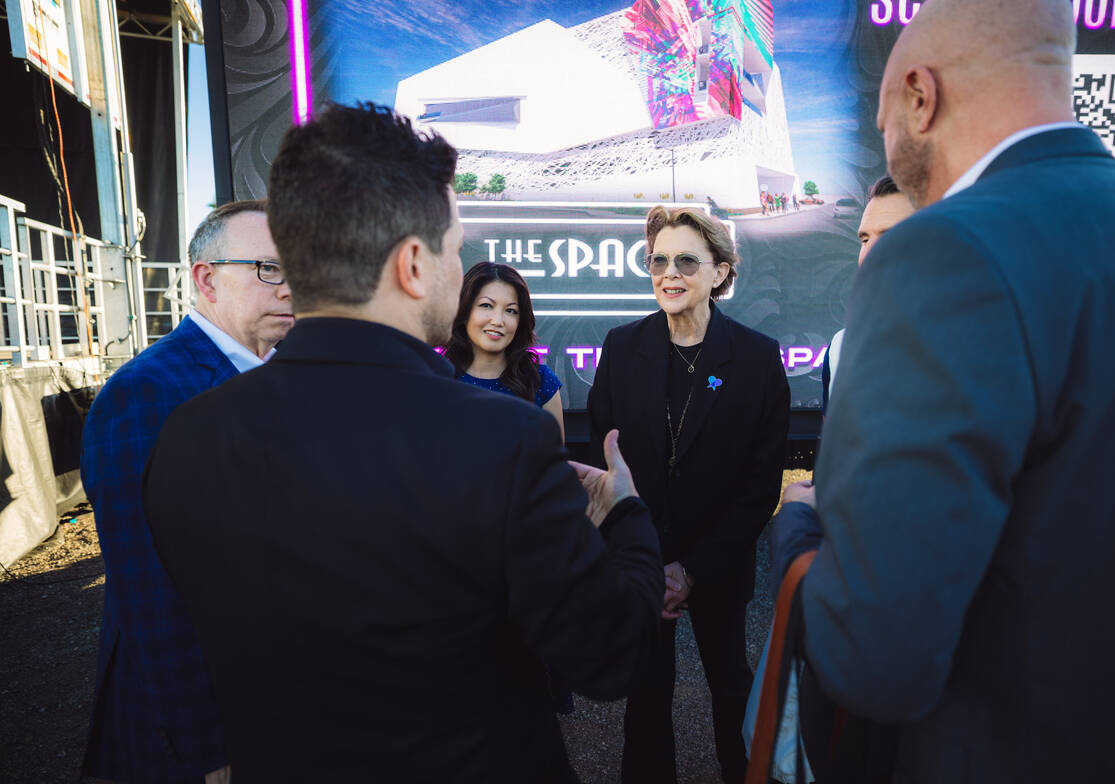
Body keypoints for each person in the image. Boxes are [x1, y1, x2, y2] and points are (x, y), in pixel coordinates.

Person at [141, 102, 663, 783]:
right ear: (415, 264)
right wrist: (625, 515)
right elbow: (612, 654)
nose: (458, 265)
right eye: (455, 247)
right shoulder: (501, 442)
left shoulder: (187, 438)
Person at [769, 0, 1115, 782]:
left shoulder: (941, 253)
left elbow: (875, 656)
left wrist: (798, 533)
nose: (887, 140)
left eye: (884, 124)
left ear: (920, 96)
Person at [79, 199, 293, 783]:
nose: (291, 287)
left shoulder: (285, 378)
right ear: (206, 279)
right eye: (270, 268)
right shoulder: (147, 391)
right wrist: (207, 747)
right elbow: (149, 586)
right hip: (195, 731)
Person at [588, 205, 790, 784]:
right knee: (645, 696)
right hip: (640, 562)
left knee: (731, 687)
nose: (668, 273)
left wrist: (691, 569)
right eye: (657, 260)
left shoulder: (755, 358)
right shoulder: (623, 347)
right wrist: (650, 561)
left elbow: (759, 485)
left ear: (721, 272)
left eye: (685, 261)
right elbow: (608, 458)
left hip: (717, 568)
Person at [821, 174, 915, 412]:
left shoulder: (988, 341)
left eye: (890, 234)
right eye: (864, 239)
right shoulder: (839, 348)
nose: (868, 253)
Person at [445, 261, 564, 438]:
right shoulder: (438, 376)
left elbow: (555, 462)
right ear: (464, 310)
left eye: (511, 311)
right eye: (486, 306)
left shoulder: (540, 381)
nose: (498, 321)